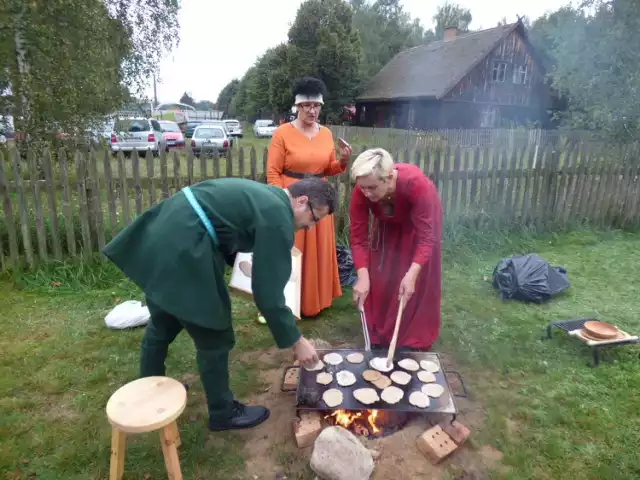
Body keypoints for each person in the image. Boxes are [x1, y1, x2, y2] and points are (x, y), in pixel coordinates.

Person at [102, 177, 336, 431]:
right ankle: (223, 412)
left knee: (163, 319)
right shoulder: (278, 216)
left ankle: (148, 388)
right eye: (315, 218)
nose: (311, 228)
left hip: (164, 232)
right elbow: (268, 293)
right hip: (184, 245)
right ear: (302, 201)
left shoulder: (266, 197)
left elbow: (224, 224)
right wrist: (296, 341)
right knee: (214, 333)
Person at [266, 76, 352, 318]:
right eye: (307, 106)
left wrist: (342, 162)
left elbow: (328, 168)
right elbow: (272, 171)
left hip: (319, 198)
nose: (312, 110)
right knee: (291, 252)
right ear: (298, 106)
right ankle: (287, 303)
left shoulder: (325, 134)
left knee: (318, 251)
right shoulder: (282, 133)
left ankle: (316, 300)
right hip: (293, 197)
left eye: (317, 106)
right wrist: (280, 199)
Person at [348, 148, 442, 352]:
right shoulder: (362, 189)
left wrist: (412, 274)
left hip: (417, 229)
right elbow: (358, 237)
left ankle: (411, 337)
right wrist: (362, 276)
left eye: (372, 188)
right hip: (386, 225)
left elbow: (427, 238)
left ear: (389, 178)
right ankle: (380, 331)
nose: (365, 193)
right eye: (362, 188)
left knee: (411, 282)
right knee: (381, 275)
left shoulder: (416, 185)